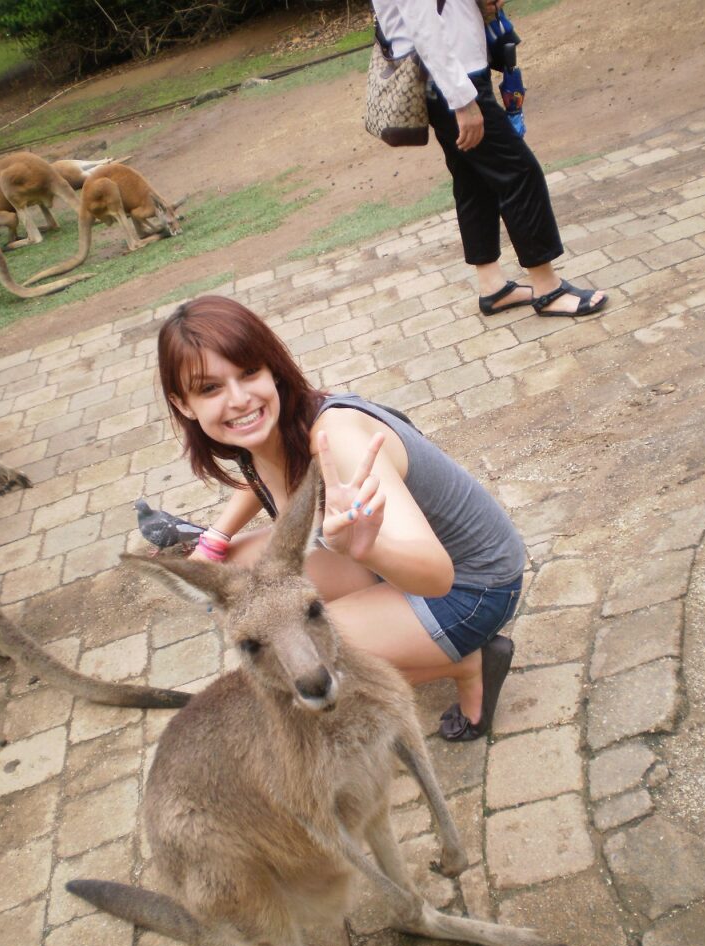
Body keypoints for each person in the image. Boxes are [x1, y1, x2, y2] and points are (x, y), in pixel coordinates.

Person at [157, 295, 526, 741]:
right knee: (234, 580)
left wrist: (362, 547)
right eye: (210, 388)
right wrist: (214, 540)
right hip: (383, 562)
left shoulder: (336, 437)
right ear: (184, 405)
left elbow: (437, 574)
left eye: (248, 372)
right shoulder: (265, 431)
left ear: (272, 368)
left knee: (299, 653)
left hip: (474, 585)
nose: (238, 399)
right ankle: (396, 632)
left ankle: (470, 664)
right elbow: (257, 480)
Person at [372, 0, 608, 318]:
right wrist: (462, 101)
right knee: (519, 172)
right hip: (448, 82)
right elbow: (423, 26)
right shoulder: (455, 90)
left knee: (474, 181)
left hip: (457, 73)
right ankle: (548, 288)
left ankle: (492, 287)